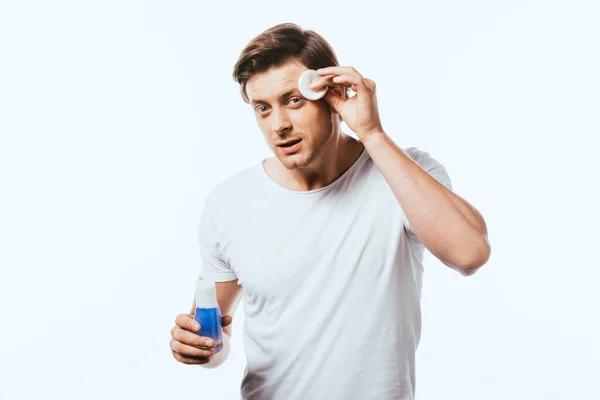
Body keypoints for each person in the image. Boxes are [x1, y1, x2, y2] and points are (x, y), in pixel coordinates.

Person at [169, 22, 491, 399]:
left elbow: (470, 254)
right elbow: (212, 335)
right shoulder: (229, 203)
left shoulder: (403, 175)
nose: (279, 125)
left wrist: (373, 134)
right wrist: (197, 348)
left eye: (293, 100)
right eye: (263, 108)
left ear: (330, 95)